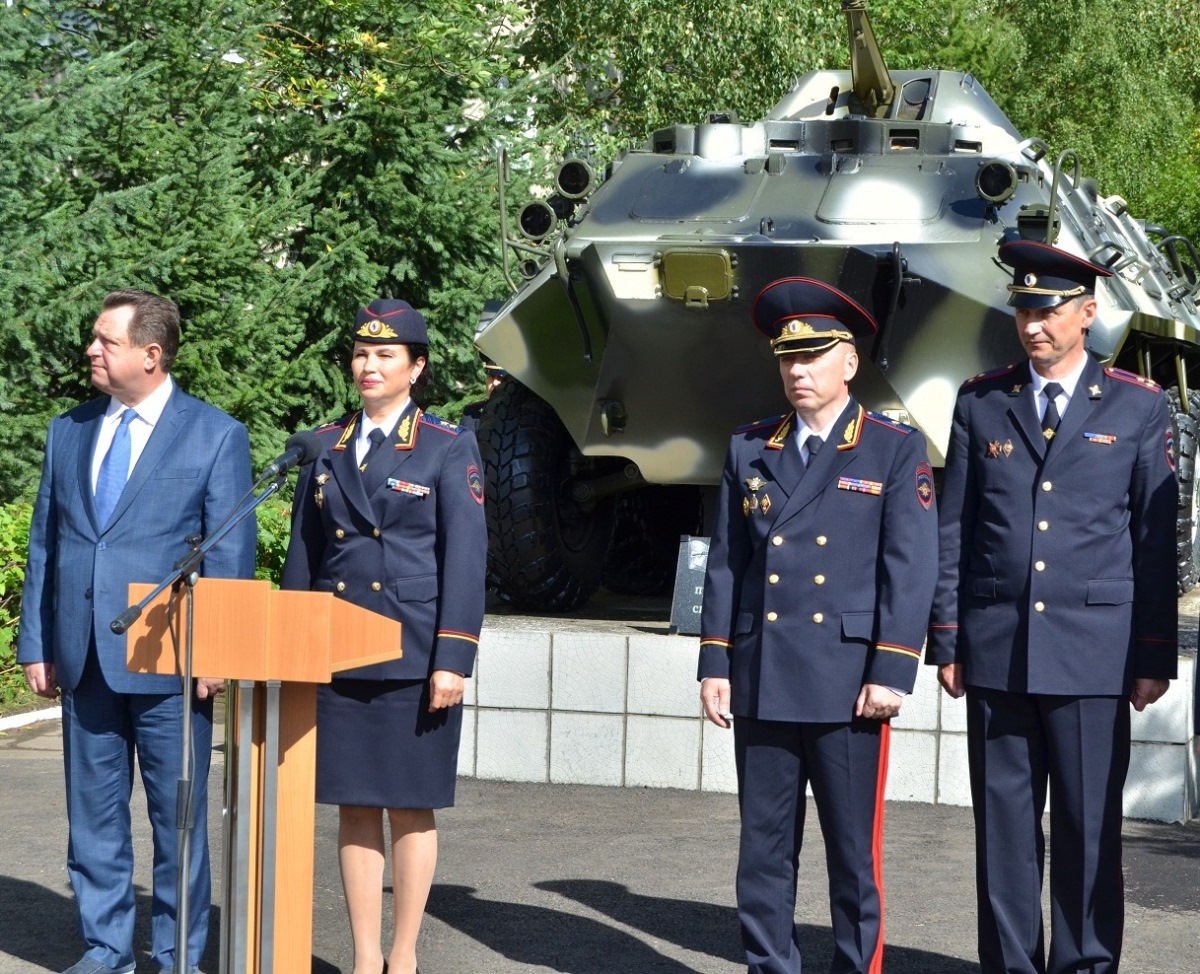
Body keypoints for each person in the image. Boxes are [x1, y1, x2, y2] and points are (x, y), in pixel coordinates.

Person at [927, 240, 1178, 974]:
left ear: (1087, 314)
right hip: (998, 648)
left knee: (1087, 828)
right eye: (1023, 308)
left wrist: (1152, 654)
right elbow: (955, 528)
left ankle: (1085, 964)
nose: (1033, 323)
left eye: (1048, 309)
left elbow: (1153, 542)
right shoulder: (981, 401)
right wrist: (948, 638)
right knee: (1004, 832)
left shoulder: (1136, 405)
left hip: (1094, 653)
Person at [699, 277, 939, 974]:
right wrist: (716, 663)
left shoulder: (891, 449)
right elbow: (728, 562)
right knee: (764, 849)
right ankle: (770, 965)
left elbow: (911, 566)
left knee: (851, 856)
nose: (798, 371)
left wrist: (892, 670)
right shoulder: (750, 449)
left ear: (849, 363)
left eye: (813, 356)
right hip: (767, 672)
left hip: (847, 683)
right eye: (787, 358)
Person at [17, 289, 256, 974]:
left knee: (177, 823)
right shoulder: (70, 430)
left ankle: (180, 956)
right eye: (95, 339)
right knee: (93, 821)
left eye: (106, 341)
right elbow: (47, 543)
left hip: (172, 663)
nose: (91, 350)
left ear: (152, 355)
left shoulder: (214, 434)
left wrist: (220, 649)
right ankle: (105, 950)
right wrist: (36, 639)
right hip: (82, 656)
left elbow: (228, 557)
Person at [281, 298, 487, 974]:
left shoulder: (446, 445)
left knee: (410, 805)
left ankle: (404, 954)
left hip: (412, 652)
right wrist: (293, 644)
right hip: (340, 649)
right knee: (354, 805)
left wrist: (453, 656)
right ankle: (365, 955)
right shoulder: (324, 444)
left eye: (386, 355)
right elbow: (303, 560)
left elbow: (465, 556)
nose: (369, 365)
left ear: (416, 367)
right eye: (362, 354)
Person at [458, 354, 506, 435]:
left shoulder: (527, 416)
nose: (494, 383)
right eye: (491, 376)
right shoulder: (471, 414)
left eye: (501, 378)